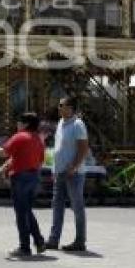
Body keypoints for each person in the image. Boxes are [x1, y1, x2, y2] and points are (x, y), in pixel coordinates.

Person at [0, 112, 47, 257]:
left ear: (26, 124)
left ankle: (25, 247)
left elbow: (3, 153)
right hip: (34, 176)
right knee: (27, 210)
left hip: (21, 178)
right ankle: (39, 241)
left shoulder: (20, 136)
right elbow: (39, 160)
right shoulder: (38, 139)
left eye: (19, 121)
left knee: (21, 213)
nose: (17, 124)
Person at [46, 96, 89, 252]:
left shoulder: (78, 125)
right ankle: (53, 239)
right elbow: (59, 147)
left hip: (74, 173)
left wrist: (74, 166)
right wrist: (55, 169)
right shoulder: (61, 123)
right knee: (57, 206)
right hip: (60, 172)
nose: (59, 108)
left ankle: (80, 241)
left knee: (77, 207)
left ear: (70, 108)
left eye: (61, 105)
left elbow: (83, 148)